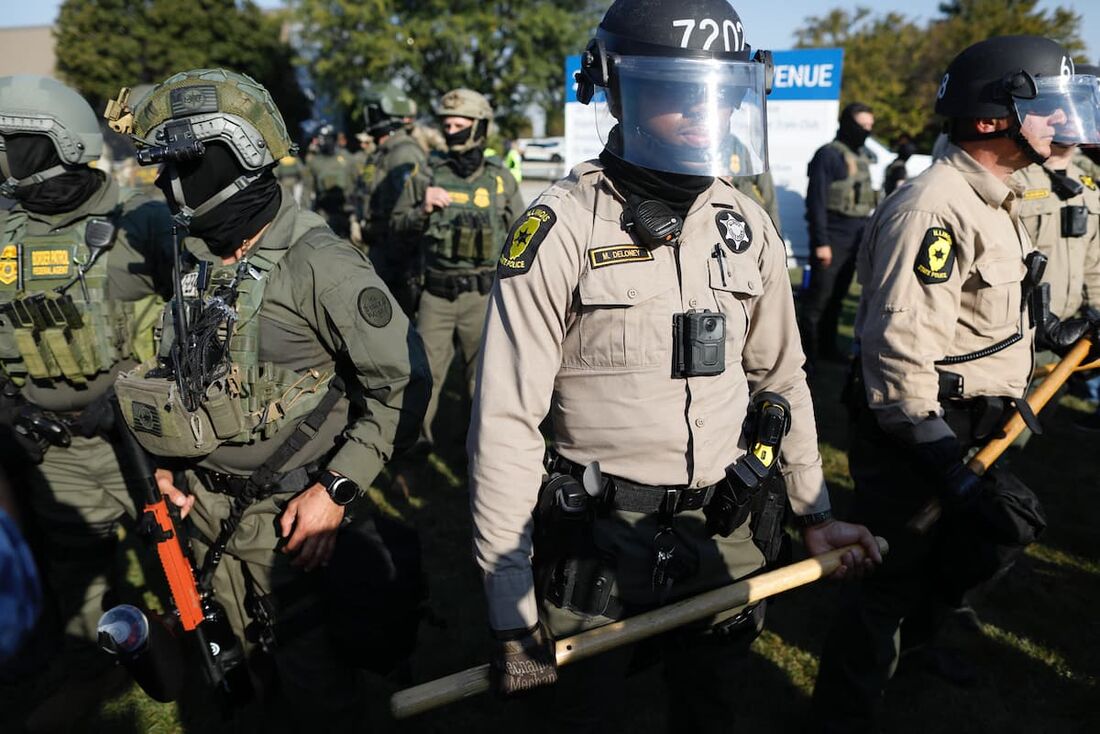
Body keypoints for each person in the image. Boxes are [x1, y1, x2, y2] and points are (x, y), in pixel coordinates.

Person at [467, 1, 882, 730]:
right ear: (618, 93)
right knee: (582, 718)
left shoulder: (746, 223)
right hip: (595, 544)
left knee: (712, 707)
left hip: (724, 533)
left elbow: (782, 378)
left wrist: (814, 512)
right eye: (674, 91)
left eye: (716, 95)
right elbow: (505, 422)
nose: (702, 114)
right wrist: (510, 609)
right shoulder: (560, 227)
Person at [109, 68, 431, 730]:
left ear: (229, 161)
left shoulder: (320, 263)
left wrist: (336, 491)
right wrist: (170, 465)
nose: (164, 183)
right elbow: (190, 371)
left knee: (316, 693)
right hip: (205, 517)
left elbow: (403, 384)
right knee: (238, 682)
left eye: (179, 166)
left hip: (293, 528)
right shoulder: (197, 257)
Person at [811, 36, 1099, 733]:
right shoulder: (933, 208)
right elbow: (898, 350)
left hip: (977, 416)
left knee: (983, 540)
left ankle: (915, 654)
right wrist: (939, 453)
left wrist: (1057, 333)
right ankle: (842, 717)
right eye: (1045, 108)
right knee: (888, 579)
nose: (1061, 123)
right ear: (992, 118)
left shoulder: (995, 198)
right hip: (923, 426)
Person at [0, 74, 175, 729]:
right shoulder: (4, 232)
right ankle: (95, 664)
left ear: (50, 142)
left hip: (140, 438)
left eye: (9, 141)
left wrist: (141, 392)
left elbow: (200, 324)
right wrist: (11, 410)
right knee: (77, 571)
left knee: (176, 558)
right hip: (50, 447)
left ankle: (198, 654)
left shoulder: (140, 221)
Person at [392, 89, 524, 451]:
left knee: (483, 378)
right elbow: (397, 226)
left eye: (459, 125)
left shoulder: (500, 178)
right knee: (424, 374)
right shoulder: (427, 172)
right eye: (447, 125)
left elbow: (522, 238)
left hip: (482, 296)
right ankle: (416, 447)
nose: (451, 132)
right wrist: (422, 208)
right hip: (435, 294)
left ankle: (478, 449)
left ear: (479, 127)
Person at [800, 102, 878, 367]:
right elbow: (816, 202)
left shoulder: (860, 156)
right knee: (817, 302)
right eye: (862, 125)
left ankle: (827, 348)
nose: (866, 131)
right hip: (832, 237)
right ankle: (805, 358)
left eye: (870, 126)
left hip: (855, 238)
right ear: (847, 124)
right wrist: (821, 242)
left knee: (837, 299)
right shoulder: (828, 155)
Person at [361, 82, 428, 316]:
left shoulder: (403, 153)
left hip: (397, 262)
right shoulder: (382, 153)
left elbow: (408, 208)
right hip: (380, 253)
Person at [306, 122, 356, 238]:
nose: (320, 142)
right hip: (324, 214)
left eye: (323, 139)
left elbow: (356, 184)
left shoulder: (347, 158)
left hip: (347, 213)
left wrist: (356, 217)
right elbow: (308, 190)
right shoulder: (314, 162)